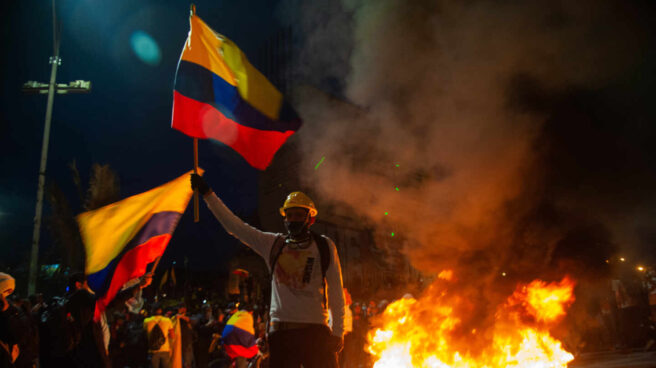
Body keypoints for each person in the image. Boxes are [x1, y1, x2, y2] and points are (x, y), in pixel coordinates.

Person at [191, 174, 346, 368]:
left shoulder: (324, 246)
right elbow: (235, 227)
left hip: (315, 333)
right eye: (289, 215)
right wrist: (208, 194)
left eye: (298, 215)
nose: (293, 220)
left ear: (310, 219)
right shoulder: (272, 244)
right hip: (281, 335)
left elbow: (336, 291)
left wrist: (338, 331)